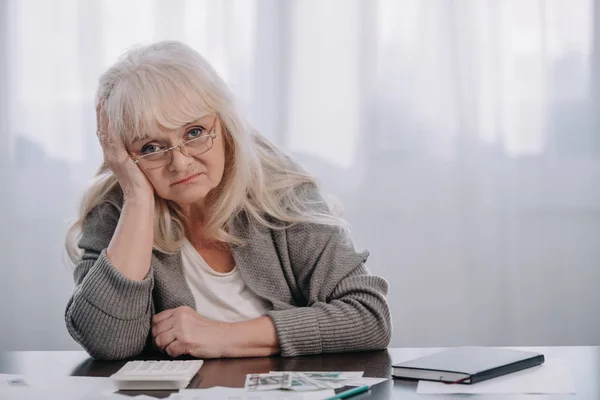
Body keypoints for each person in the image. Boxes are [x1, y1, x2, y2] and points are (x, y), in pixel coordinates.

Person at [64, 41, 391, 361]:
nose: (179, 163)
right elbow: (108, 343)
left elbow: (368, 317)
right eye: (150, 147)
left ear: (224, 123)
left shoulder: (279, 191)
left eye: (194, 132)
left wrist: (222, 336)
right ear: (123, 156)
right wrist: (136, 198)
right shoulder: (117, 210)